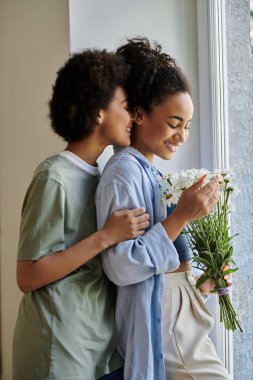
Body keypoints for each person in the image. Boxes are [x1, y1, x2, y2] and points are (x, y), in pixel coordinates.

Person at [96, 38, 232, 380]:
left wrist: (201, 286)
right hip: (167, 329)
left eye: (187, 125)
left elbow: (164, 273)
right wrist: (182, 215)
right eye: (174, 123)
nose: (182, 135)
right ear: (139, 114)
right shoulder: (123, 174)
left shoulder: (152, 172)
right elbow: (122, 267)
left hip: (177, 321)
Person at [12, 49, 150, 380]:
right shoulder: (53, 176)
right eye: (124, 105)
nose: (132, 116)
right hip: (59, 354)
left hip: (98, 351)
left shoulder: (102, 176)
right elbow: (27, 276)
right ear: (98, 111)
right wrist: (106, 237)